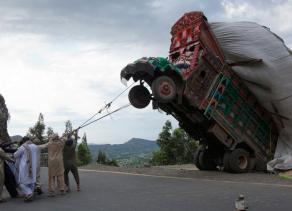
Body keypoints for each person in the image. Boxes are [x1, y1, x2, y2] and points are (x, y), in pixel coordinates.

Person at [14, 137, 38, 202]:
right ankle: (30, 194)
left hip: (25, 167)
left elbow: (15, 155)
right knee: (32, 181)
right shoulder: (35, 146)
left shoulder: (23, 147)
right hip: (33, 166)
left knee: (22, 182)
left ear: (24, 141)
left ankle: (29, 193)